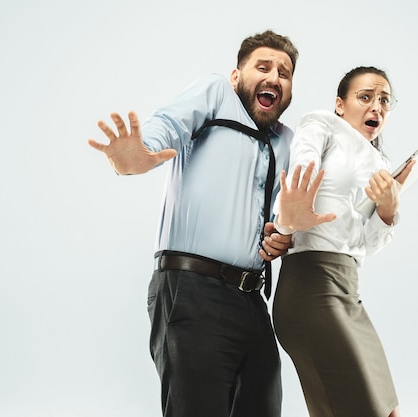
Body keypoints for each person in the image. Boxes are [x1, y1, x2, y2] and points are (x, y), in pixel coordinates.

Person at [87, 30, 299, 417]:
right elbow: (167, 124)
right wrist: (139, 154)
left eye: (284, 73)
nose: (274, 77)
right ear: (237, 77)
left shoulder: (285, 141)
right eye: (263, 67)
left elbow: (279, 216)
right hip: (193, 290)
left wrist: (280, 237)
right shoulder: (217, 94)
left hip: (253, 301)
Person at [272, 66, 415, 417]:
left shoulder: (382, 165)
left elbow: (363, 245)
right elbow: (299, 172)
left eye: (384, 100)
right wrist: (292, 213)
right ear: (340, 104)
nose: (376, 107)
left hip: (349, 291)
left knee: (389, 411)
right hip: (311, 290)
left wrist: (388, 210)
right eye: (365, 97)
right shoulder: (322, 124)